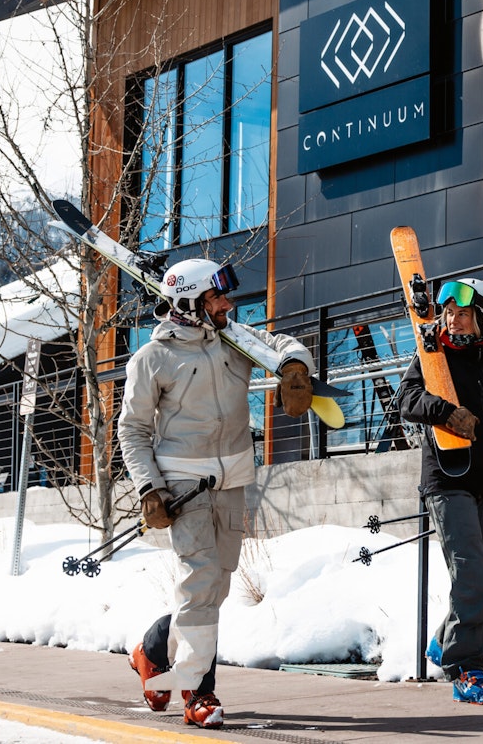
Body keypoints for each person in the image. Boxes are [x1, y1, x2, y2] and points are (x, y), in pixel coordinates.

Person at [119, 257, 316, 729]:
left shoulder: (233, 340)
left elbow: (283, 345)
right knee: (201, 581)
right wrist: (150, 488)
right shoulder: (152, 359)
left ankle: (151, 649)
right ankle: (198, 693)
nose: (228, 303)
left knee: (215, 585)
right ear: (190, 304)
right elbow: (132, 430)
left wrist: (294, 367)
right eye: (217, 297)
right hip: (183, 488)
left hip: (233, 482)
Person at [396, 277, 483, 705]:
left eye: (464, 313)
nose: (454, 320)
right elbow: (406, 400)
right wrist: (447, 413)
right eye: (449, 312)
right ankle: (466, 669)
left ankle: (447, 640)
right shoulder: (434, 357)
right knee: (470, 574)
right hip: (448, 481)